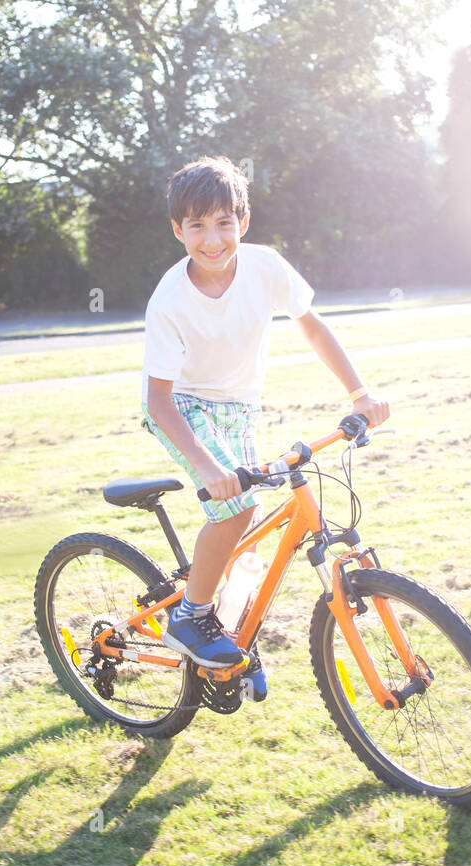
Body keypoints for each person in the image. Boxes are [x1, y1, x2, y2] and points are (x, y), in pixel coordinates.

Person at [140, 155, 390, 679]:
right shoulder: (169, 299)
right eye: (197, 226)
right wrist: (207, 468)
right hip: (184, 405)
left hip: (239, 408)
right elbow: (159, 400)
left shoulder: (265, 266)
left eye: (224, 223)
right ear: (177, 230)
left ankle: (219, 631)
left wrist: (360, 392)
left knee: (247, 515)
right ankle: (191, 616)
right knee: (232, 508)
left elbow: (313, 326)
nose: (213, 239)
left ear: (243, 223)